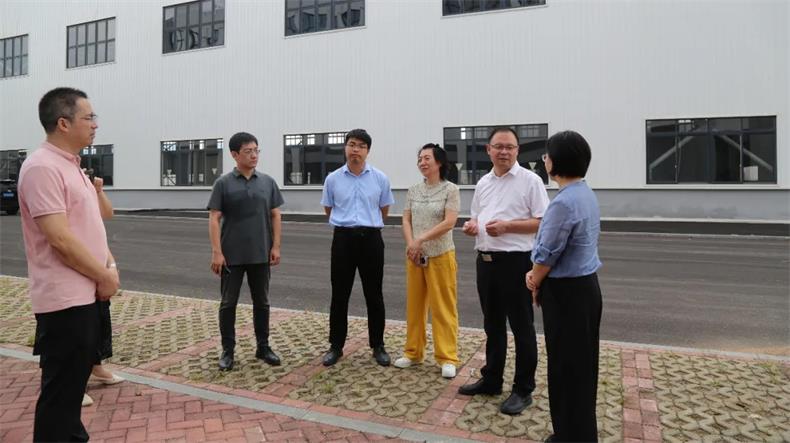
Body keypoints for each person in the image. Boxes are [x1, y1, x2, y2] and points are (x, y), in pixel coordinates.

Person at [18, 87, 121, 442]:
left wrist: (109, 265)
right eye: (89, 117)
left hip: (85, 295)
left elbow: (89, 227)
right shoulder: (42, 168)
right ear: (63, 123)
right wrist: (103, 275)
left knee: (70, 395)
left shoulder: (71, 167)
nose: (95, 124)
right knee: (61, 399)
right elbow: (59, 239)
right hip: (65, 302)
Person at [457, 127, 549, 415]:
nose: (504, 151)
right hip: (486, 262)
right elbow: (476, 217)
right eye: (499, 146)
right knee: (492, 324)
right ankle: (492, 379)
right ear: (488, 150)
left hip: (516, 262)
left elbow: (543, 222)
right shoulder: (483, 183)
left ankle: (523, 389)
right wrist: (472, 227)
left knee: (522, 327)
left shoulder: (531, 181)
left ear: (518, 150)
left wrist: (508, 226)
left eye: (510, 147)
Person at [526, 130, 603, 442]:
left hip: (567, 293)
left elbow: (548, 253)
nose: (544, 159)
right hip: (586, 289)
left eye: (547, 154)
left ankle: (569, 435)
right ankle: (580, 433)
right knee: (583, 368)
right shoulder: (585, 193)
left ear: (556, 161)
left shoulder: (563, 203)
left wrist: (533, 278)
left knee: (565, 368)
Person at [208, 132, 284, 371]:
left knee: (262, 302)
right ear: (234, 154)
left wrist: (276, 246)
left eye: (256, 150)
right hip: (231, 255)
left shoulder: (267, 182)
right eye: (248, 151)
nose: (254, 155)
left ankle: (263, 346)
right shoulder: (223, 183)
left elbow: (275, 215)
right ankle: (228, 351)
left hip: (260, 253)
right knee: (228, 304)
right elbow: (214, 218)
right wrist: (217, 252)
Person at [320, 128, 395, 367]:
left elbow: (384, 210)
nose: (356, 150)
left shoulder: (380, 178)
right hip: (343, 239)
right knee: (339, 294)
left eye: (361, 146)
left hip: (371, 240)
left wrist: (366, 224)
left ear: (367, 151)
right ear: (345, 147)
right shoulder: (333, 179)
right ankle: (336, 345)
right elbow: (329, 209)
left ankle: (378, 345)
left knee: (374, 294)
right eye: (352, 144)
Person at [395, 143, 460, 379]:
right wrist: (411, 243)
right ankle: (413, 352)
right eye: (420, 159)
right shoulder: (413, 190)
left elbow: (449, 222)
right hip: (415, 256)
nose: (422, 162)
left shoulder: (450, 189)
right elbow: (406, 220)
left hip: (441, 254)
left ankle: (447, 357)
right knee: (415, 306)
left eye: (427, 158)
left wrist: (420, 239)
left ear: (439, 162)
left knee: (443, 307)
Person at [83, 176, 125, 408]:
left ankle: (96, 367)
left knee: (99, 322)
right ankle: (71, 384)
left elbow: (107, 214)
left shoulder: (83, 182)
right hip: (75, 272)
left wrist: (111, 266)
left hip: (98, 268)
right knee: (75, 330)